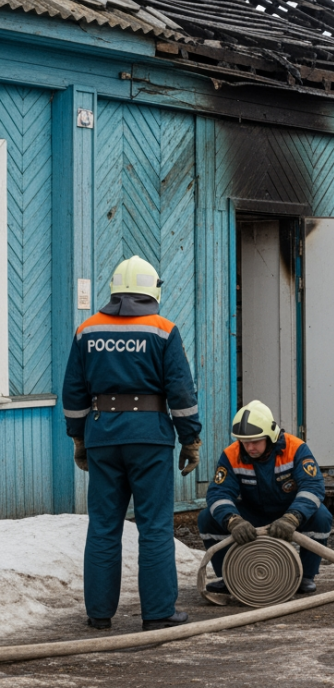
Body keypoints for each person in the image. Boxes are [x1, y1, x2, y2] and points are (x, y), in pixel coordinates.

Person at [61, 256, 201, 631]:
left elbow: (73, 391)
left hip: (102, 436)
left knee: (104, 526)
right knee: (154, 527)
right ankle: (157, 613)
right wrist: (191, 439)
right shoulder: (163, 329)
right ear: (152, 289)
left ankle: (99, 614)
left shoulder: (86, 330)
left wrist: (79, 438)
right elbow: (181, 392)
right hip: (150, 439)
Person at [199, 400, 331, 594]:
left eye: (255, 441)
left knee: (321, 517)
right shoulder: (231, 454)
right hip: (252, 513)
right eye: (244, 442)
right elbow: (219, 493)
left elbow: (313, 487)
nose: (249, 447)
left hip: (290, 512)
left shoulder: (296, 448)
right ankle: (228, 577)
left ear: (270, 436)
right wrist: (232, 521)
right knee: (207, 518)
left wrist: (293, 517)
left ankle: (305, 577)